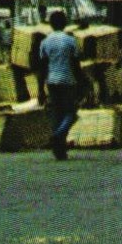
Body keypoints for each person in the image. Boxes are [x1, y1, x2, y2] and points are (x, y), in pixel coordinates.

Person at [34, 10, 82, 160]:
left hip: (52, 81)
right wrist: (82, 83)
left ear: (50, 24)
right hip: (68, 81)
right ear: (65, 23)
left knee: (57, 114)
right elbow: (76, 65)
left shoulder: (45, 42)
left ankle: (59, 150)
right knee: (71, 113)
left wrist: (40, 89)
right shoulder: (71, 41)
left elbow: (42, 68)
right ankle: (57, 136)